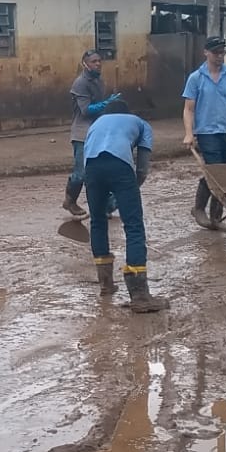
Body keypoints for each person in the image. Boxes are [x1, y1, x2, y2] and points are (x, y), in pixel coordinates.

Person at [83, 98, 167, 313]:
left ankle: (106, 284)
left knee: (98, 221)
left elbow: (88, 157)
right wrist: (132, 187)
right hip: (120, 165)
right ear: (127, 112)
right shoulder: (139, 122)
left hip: (91, 167)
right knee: (133, 225)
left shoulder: (96, 124)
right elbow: (143, 166)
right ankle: (139, 295)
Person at [182, 37, 226, 231]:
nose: (220, 56)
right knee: (215, 172)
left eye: (222, 52)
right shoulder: (196, 78)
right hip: (206, 134)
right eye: (216, 52)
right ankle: (199, 209)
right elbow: (188, 109)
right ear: (206, 53)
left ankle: (216, 218)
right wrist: (189, 133)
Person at [64, 49, 119, 216]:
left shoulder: (99, 81)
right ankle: (70, 201)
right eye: (93, 61)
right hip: (82, 134)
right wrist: (107, 103)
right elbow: (86, 110)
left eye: (99, 61)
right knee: (81, 173)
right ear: (85, 64)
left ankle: (106, 205)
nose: (98, 64)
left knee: (101, 170)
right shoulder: (80, 83)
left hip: (98, 131)